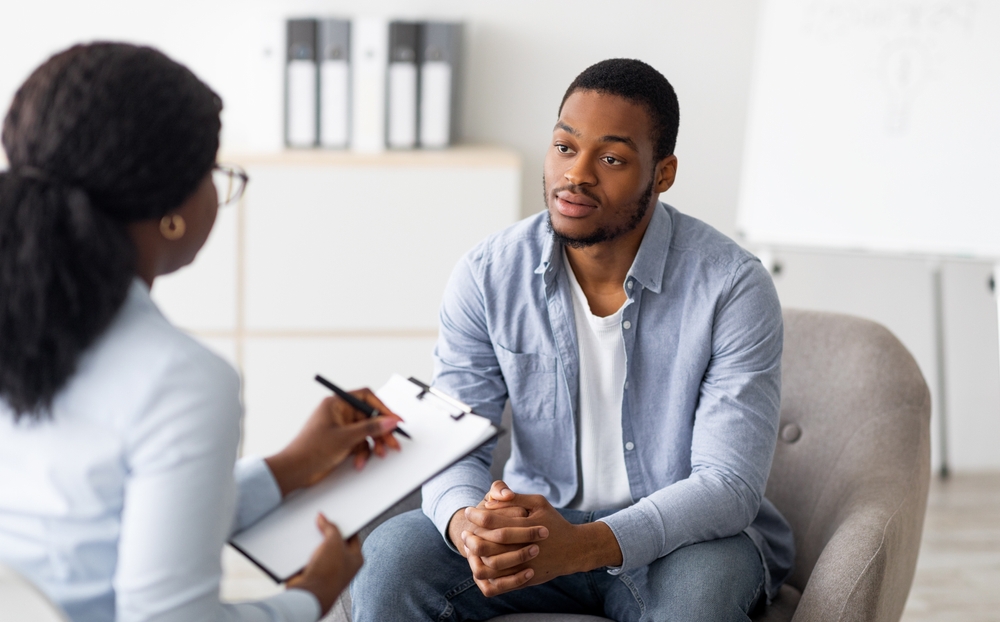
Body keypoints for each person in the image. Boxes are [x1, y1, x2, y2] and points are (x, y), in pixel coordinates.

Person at [352, 58, 795, 621]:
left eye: (611, 158)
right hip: (537, 530)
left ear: (662, 173)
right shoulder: (488, 274)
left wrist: (581, 546)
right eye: (565, 147)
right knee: (389, 561)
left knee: (697, 604)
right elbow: (452, 441)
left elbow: (727, 484)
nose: (577, 174)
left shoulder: (732, 286)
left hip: (682, 541)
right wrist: (468, 525)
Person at [0, 43, 402, 622]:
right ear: (172, 210)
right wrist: (311, 595)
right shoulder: (180, 380)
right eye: (214, 171)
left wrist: (290, 466)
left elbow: (104, 527)